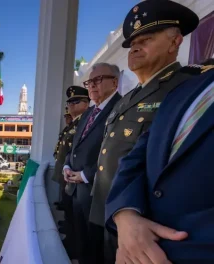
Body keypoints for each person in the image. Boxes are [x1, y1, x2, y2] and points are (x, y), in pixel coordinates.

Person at [88, 1, 201, 263]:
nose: (136, 46)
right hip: (111, 211)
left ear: (175, 42)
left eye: (147, 38)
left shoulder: (188, 87)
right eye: (132, 42)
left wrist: (126, 209)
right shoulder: (128, 98)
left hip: (146, 224)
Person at [106, 64, 214, 263]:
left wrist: (157, 248)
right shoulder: (185, 89)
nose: (136, 47)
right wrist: (126, 216)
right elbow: (138, 156)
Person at [63, 63, 122, 264]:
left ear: (114, 82)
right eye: (90, 82)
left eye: (98, 80)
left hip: (99, 191)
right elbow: (75, 146)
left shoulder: (121, 108)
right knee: (83, 245)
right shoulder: (89, 112)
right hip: (77, 190)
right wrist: (66, 165)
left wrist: (86, 175)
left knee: (97, 250)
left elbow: (119, 152)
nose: (92, 85)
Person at [52, 87, 89, 259]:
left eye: (76, 102)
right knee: (68, 211)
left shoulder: (85, 122)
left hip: (76, 177)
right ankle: (70, 239)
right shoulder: (73, 124)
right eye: (69, 102)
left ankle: (75, 247)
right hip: (66, 172)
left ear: (87, 103)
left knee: (75, 217)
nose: (71, 105)